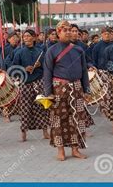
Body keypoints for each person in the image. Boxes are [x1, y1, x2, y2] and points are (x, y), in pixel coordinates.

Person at [43, 20, 90, 161]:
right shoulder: (52, 50)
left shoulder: (79, 49)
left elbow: (84, 71)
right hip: (59, 89)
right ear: (58, 33)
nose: (69, 32)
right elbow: (47, 72)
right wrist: (48, 93)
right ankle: (61, 150)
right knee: (59, 120)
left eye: (70, 29)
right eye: (65, 30)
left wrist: (86, 89)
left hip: (76, 88)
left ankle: (75, 149)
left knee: (78, 119)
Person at [12, 29, 49, 141]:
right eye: (24, 36)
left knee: (42, 106)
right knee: (25, 108)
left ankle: (45, 131)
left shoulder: (41, 51)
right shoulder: (19, 52)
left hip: (38, 81)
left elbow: (47, 67)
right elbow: (14, 69)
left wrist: (40, 64)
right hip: (25, 82)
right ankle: (23, 133)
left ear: (34, 38)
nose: (26, 38)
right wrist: (24, 68)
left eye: (28, 36)